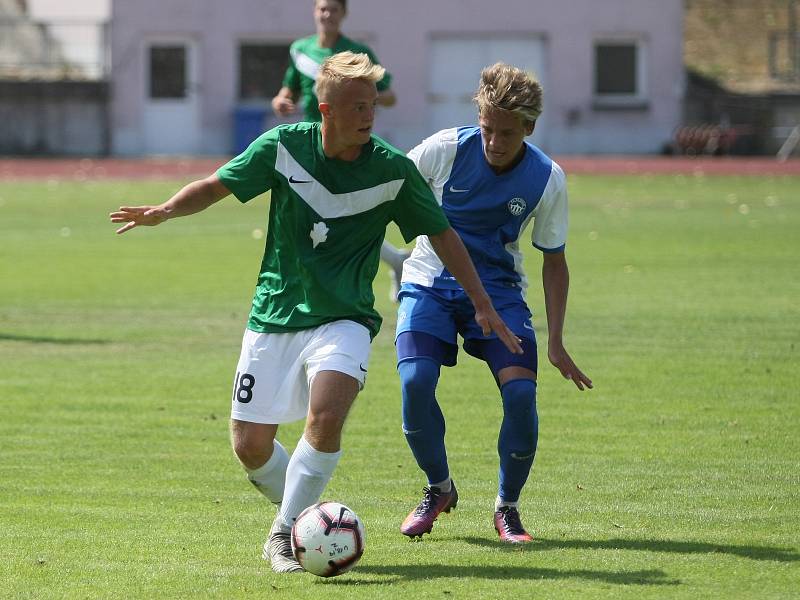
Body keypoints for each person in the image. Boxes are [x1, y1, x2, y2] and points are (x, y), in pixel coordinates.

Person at [110, 52, 522, 573]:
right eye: (355, 106)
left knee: (325, 417)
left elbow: (442, 233)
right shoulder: (284, 147)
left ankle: (284, 535)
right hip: (275, 314)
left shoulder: (393, 171)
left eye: (371, 104)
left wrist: (482, 302)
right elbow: (217, 186)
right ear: (325, 110)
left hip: (345, 316)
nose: (368, 116)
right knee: (250, 447)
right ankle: (309, 517)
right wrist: (166, 209)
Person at [395, 63, 593, 544]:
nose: (494, 142)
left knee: (522, 396)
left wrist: (557, 340)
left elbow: (555, 261)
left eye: (507, 133)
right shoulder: (444, 149)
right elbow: (389, 183)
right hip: (430, 282)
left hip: (500, 291)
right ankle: (439, 488)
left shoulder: (547, 177)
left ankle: (508, 507)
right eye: (487, 129)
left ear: (529, 128)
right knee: (416, 382)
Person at [271, 0, 407, 301]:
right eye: (322, 8)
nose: (327, 14)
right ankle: (394, 260)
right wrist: (280, 101)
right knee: (310, 216)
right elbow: (287, 90)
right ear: (314, 12)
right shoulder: (300, 50)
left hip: (344, 146)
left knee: (342, 216)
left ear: (343, 14)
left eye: (333, 9)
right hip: (306, 146)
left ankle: (325, 286)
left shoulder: (357, 55)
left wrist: (359, 104)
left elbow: (389, 95)